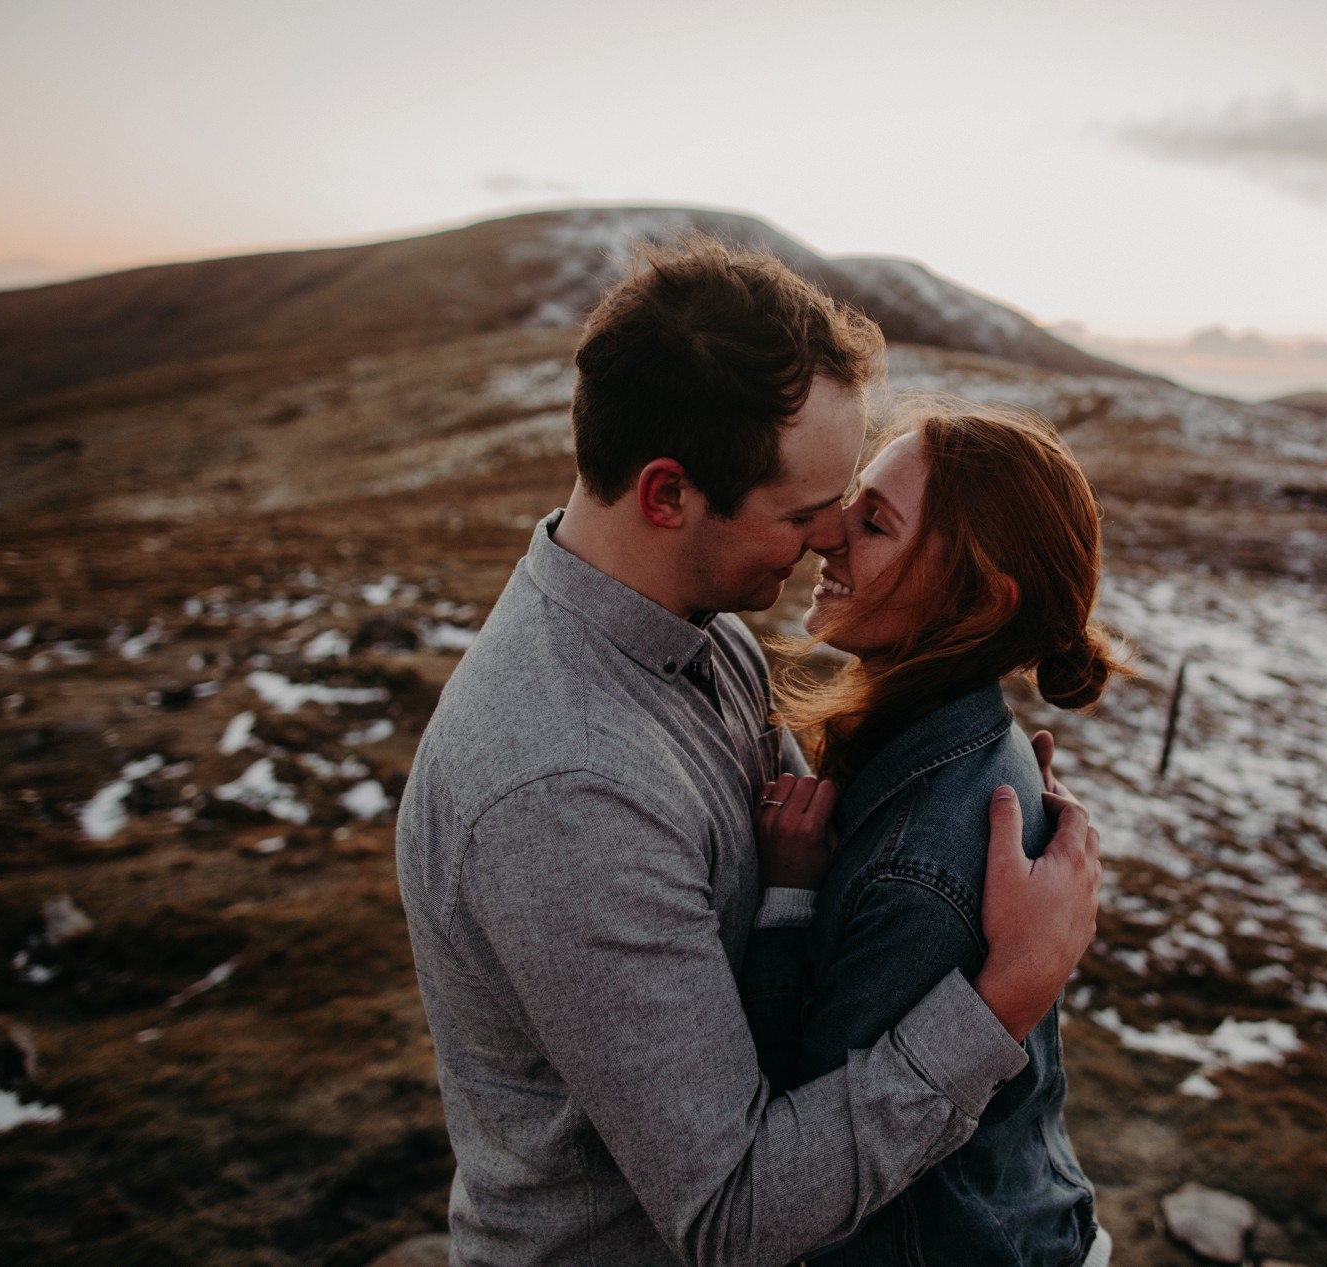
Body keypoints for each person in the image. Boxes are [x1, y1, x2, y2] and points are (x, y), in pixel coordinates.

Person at [394, 236, 1103, 1267]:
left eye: (849, 500)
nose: (828, 539)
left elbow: (831, 854)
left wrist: (973, 791)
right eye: (804, 512)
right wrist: (1009, 992)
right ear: (667, 494)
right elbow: (736, 1213)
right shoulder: (563, 791)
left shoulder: (704, 635)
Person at [743, 403, 1124, 1266]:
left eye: (874, 522)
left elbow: (804, 1164)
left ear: (978, 601)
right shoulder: (939, 746)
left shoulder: (927, 872)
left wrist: (789, 899)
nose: (829, 531)